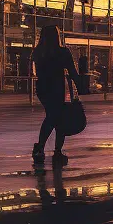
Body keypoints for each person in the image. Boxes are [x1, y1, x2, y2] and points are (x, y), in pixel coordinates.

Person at [31, 25, 79, 166]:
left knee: (52, 115)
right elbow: (72, 71)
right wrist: (80, 85)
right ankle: (51, 149)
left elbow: (37, 71)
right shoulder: (63, 52)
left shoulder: (38, 52)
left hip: (43, 88)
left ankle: (42, 147)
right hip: (57, 87)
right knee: (57, 117)